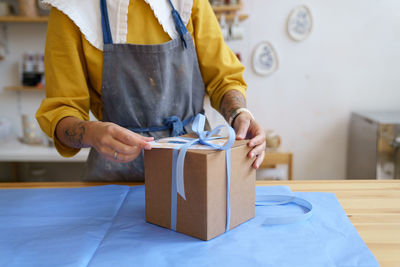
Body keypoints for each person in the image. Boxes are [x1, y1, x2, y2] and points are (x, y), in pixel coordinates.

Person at [36, 0, 266, 181]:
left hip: (193, 163)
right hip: (115, 176)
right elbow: (61, 109)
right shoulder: (71, 10)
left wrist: (239, 114)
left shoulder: (188, 3)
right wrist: (91, 133)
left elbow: (223, 79)